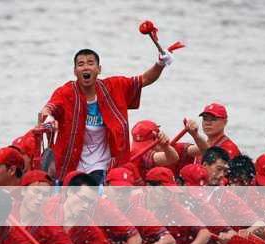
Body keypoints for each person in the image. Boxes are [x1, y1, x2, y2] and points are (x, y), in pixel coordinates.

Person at [39, 48, 173, 182]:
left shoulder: (115, 87)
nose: (86, 67)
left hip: (103, 165)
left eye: (91, 63)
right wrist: (49, 119)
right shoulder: (65, 93)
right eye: (81, 64)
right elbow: (48, 109)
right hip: (71, 164)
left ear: (99, 69)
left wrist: (160, 63)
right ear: (75, 71)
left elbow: (144, 79)